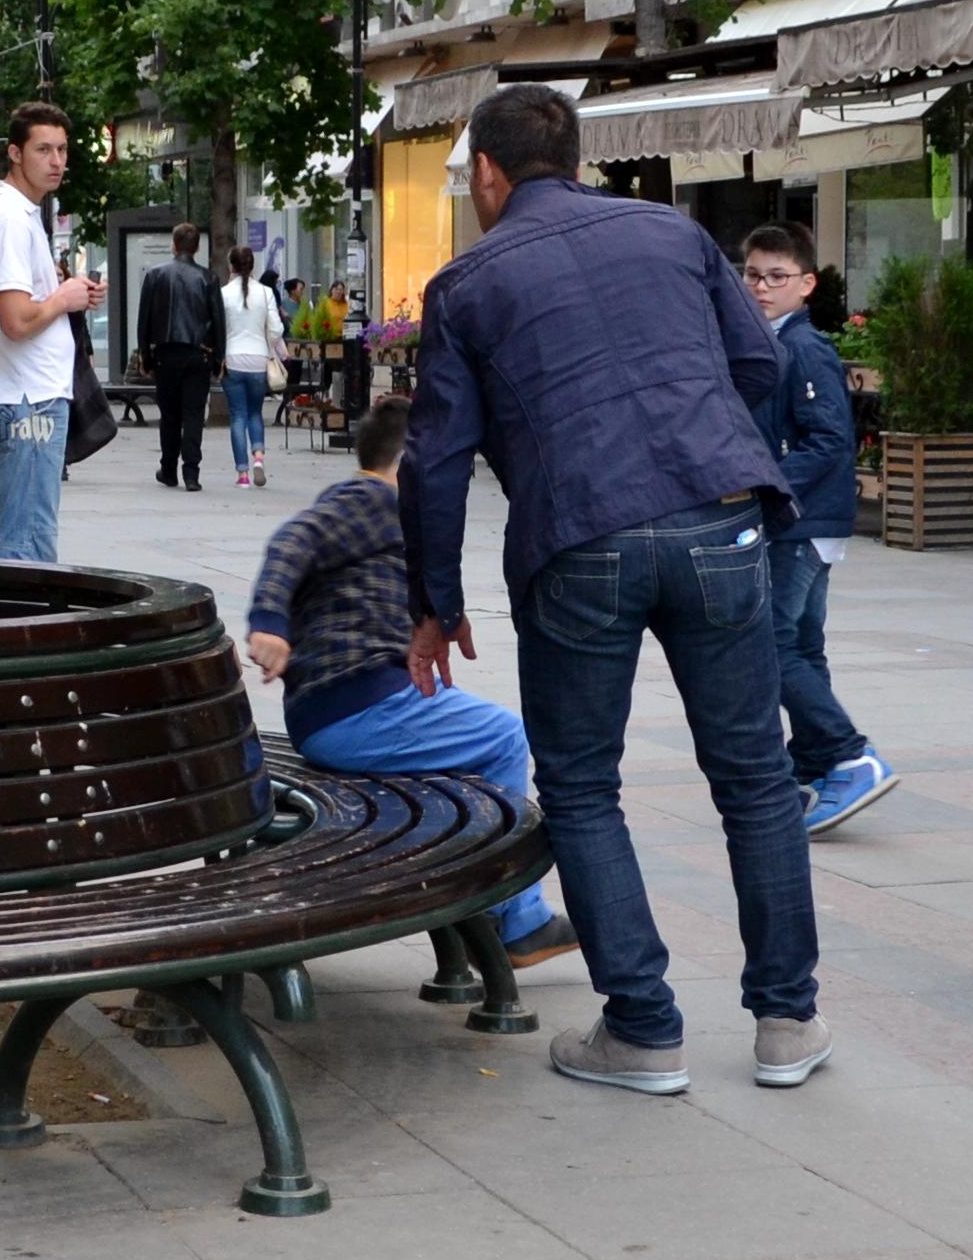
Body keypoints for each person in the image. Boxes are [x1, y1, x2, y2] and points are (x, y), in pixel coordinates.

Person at [399, 83, 822, 1097]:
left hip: (580, 533)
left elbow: (433, 461)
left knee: (584, 784)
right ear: (575, 157)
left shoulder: (466, 284)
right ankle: (787, 1023)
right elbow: (755, 363)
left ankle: (643, 1028)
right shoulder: (671, 235)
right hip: (720, 515)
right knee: (756, 777)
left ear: (489, 175)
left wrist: (435, 600)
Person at [249, 402, 569, 964]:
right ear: (411, 464)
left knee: (467, 748)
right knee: (504, 738)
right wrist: (269, 626)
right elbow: (289, 544)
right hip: (357, 707)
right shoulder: (371, 500)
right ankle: (513, 917)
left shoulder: (373, 507)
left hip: (340, 709)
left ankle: (484, 897)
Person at [739, 225, 894, 834]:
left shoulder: (803, 349)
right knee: (802, 645)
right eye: (752, 274)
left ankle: (849, 755)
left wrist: (765, 482)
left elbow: (830, 439)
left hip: (799, 523)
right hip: (807, 521)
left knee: (774, 647)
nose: (761, 287)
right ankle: (812, 768)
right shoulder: (773, 341)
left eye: (777, 277)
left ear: (807, 284)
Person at [0, 105, 101, 560]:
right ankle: (24, 629)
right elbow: (16, 320)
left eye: (62, 149)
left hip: (14, 395)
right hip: (27, 400)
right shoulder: (8, 220)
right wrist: (63, 299)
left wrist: (67, 294)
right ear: (15, 153)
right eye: (43, 149)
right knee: (28, 547)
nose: (56, 161)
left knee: (5, 537)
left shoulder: (7, 214)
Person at [135, 221, 220, 492]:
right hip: (198, 353)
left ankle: (169, 468)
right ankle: (191, 472)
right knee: (194, 414)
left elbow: (144, 319)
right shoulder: (208, 278)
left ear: (174, 245)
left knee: (169, 413)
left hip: (166, 351)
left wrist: (145, 354)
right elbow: (218, 320)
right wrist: (219, 356)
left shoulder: (155, 275)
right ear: (196, 247)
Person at [217, 243, 286, 486]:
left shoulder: (223, 293)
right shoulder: (266, 293)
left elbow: (218, 329)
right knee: (255, 412)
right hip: (258, 361)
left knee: (238, 415)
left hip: (233, 359)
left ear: (231, 266)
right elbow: (277, 328)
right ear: (252, 265)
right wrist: (269, 345)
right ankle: (258, 457)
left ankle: (243, 474)